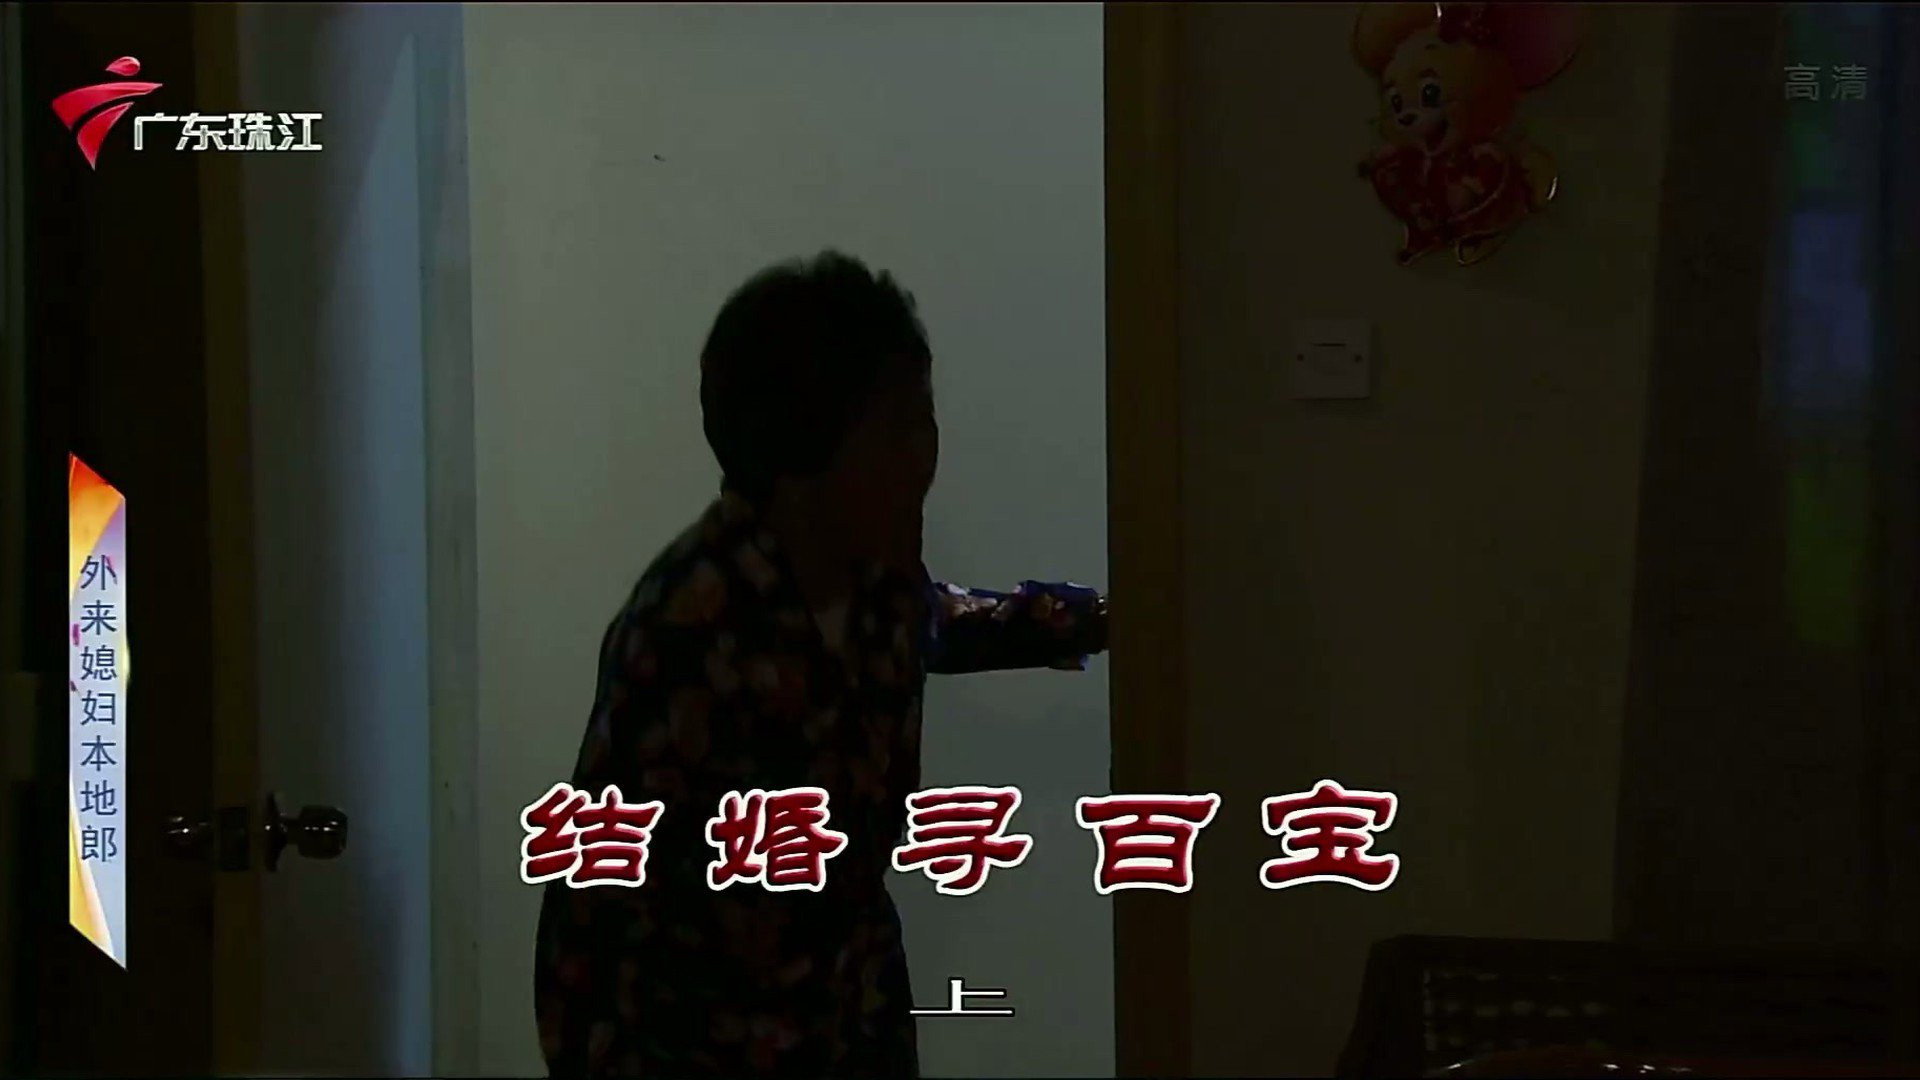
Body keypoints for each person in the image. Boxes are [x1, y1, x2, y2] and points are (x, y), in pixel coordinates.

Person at [532, 251, 1108, 1078]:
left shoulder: (877, 588)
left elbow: (954, 623)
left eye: (926, 421)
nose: (925, 458)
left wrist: (1119, 620)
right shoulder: (688, 630)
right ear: (802, 450)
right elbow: (594, 927)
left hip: (854, 1024)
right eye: (896, 429)